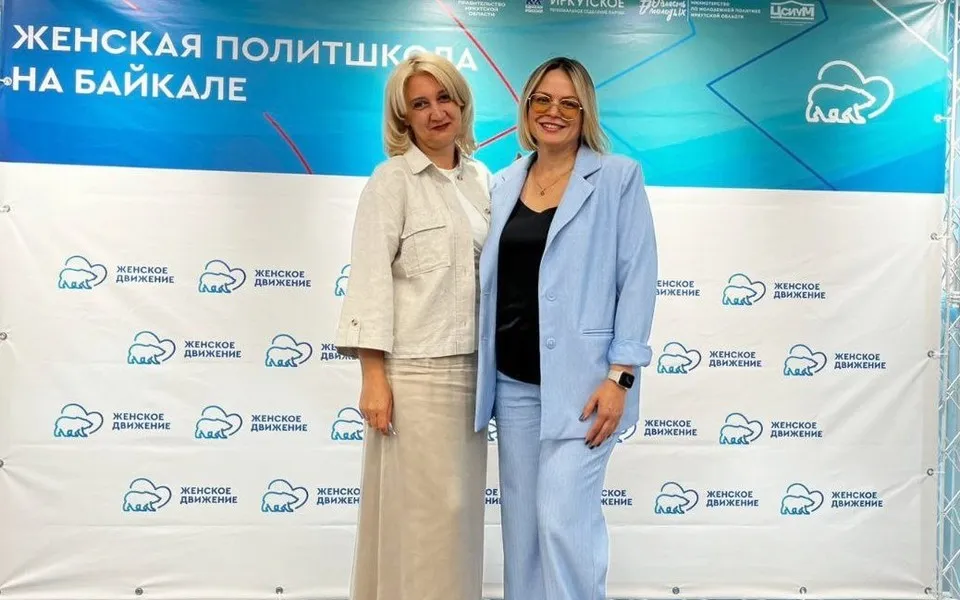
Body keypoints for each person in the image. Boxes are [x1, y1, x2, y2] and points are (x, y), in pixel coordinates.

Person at [474, 56, 658, 600]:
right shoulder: (503, 183)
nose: (553, 112)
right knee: (523, 533)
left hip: (586, 387)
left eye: (568, 103)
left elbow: (638, 276)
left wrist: (620, 376)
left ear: (585, 112)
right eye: (543, 100)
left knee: (563, 523)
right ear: (527, 106)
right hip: (513, 387)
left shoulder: (617, 177)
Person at [334, 52, 491, 600]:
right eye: (419, 104)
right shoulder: (391, 181)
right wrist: (373, 378)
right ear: (404, 118)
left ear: (462, 104)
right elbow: (369, 281)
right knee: (423, 519)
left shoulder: (482, 180)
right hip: (416, 377)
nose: (436, 112)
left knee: (459, 518)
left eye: (444, 98)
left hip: (475, 377)